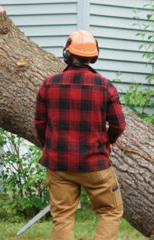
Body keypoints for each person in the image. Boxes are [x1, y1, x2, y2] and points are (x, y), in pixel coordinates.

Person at [34, 30, 126, 240]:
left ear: (68, 53)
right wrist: (107, 142)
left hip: (59, 164)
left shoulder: (48, 84)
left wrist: (48, 146)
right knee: (111, 211)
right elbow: (119, 125)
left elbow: (39, 123)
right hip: (95, 164)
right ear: (93, 56)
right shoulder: (105, 86)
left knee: (62, 216)